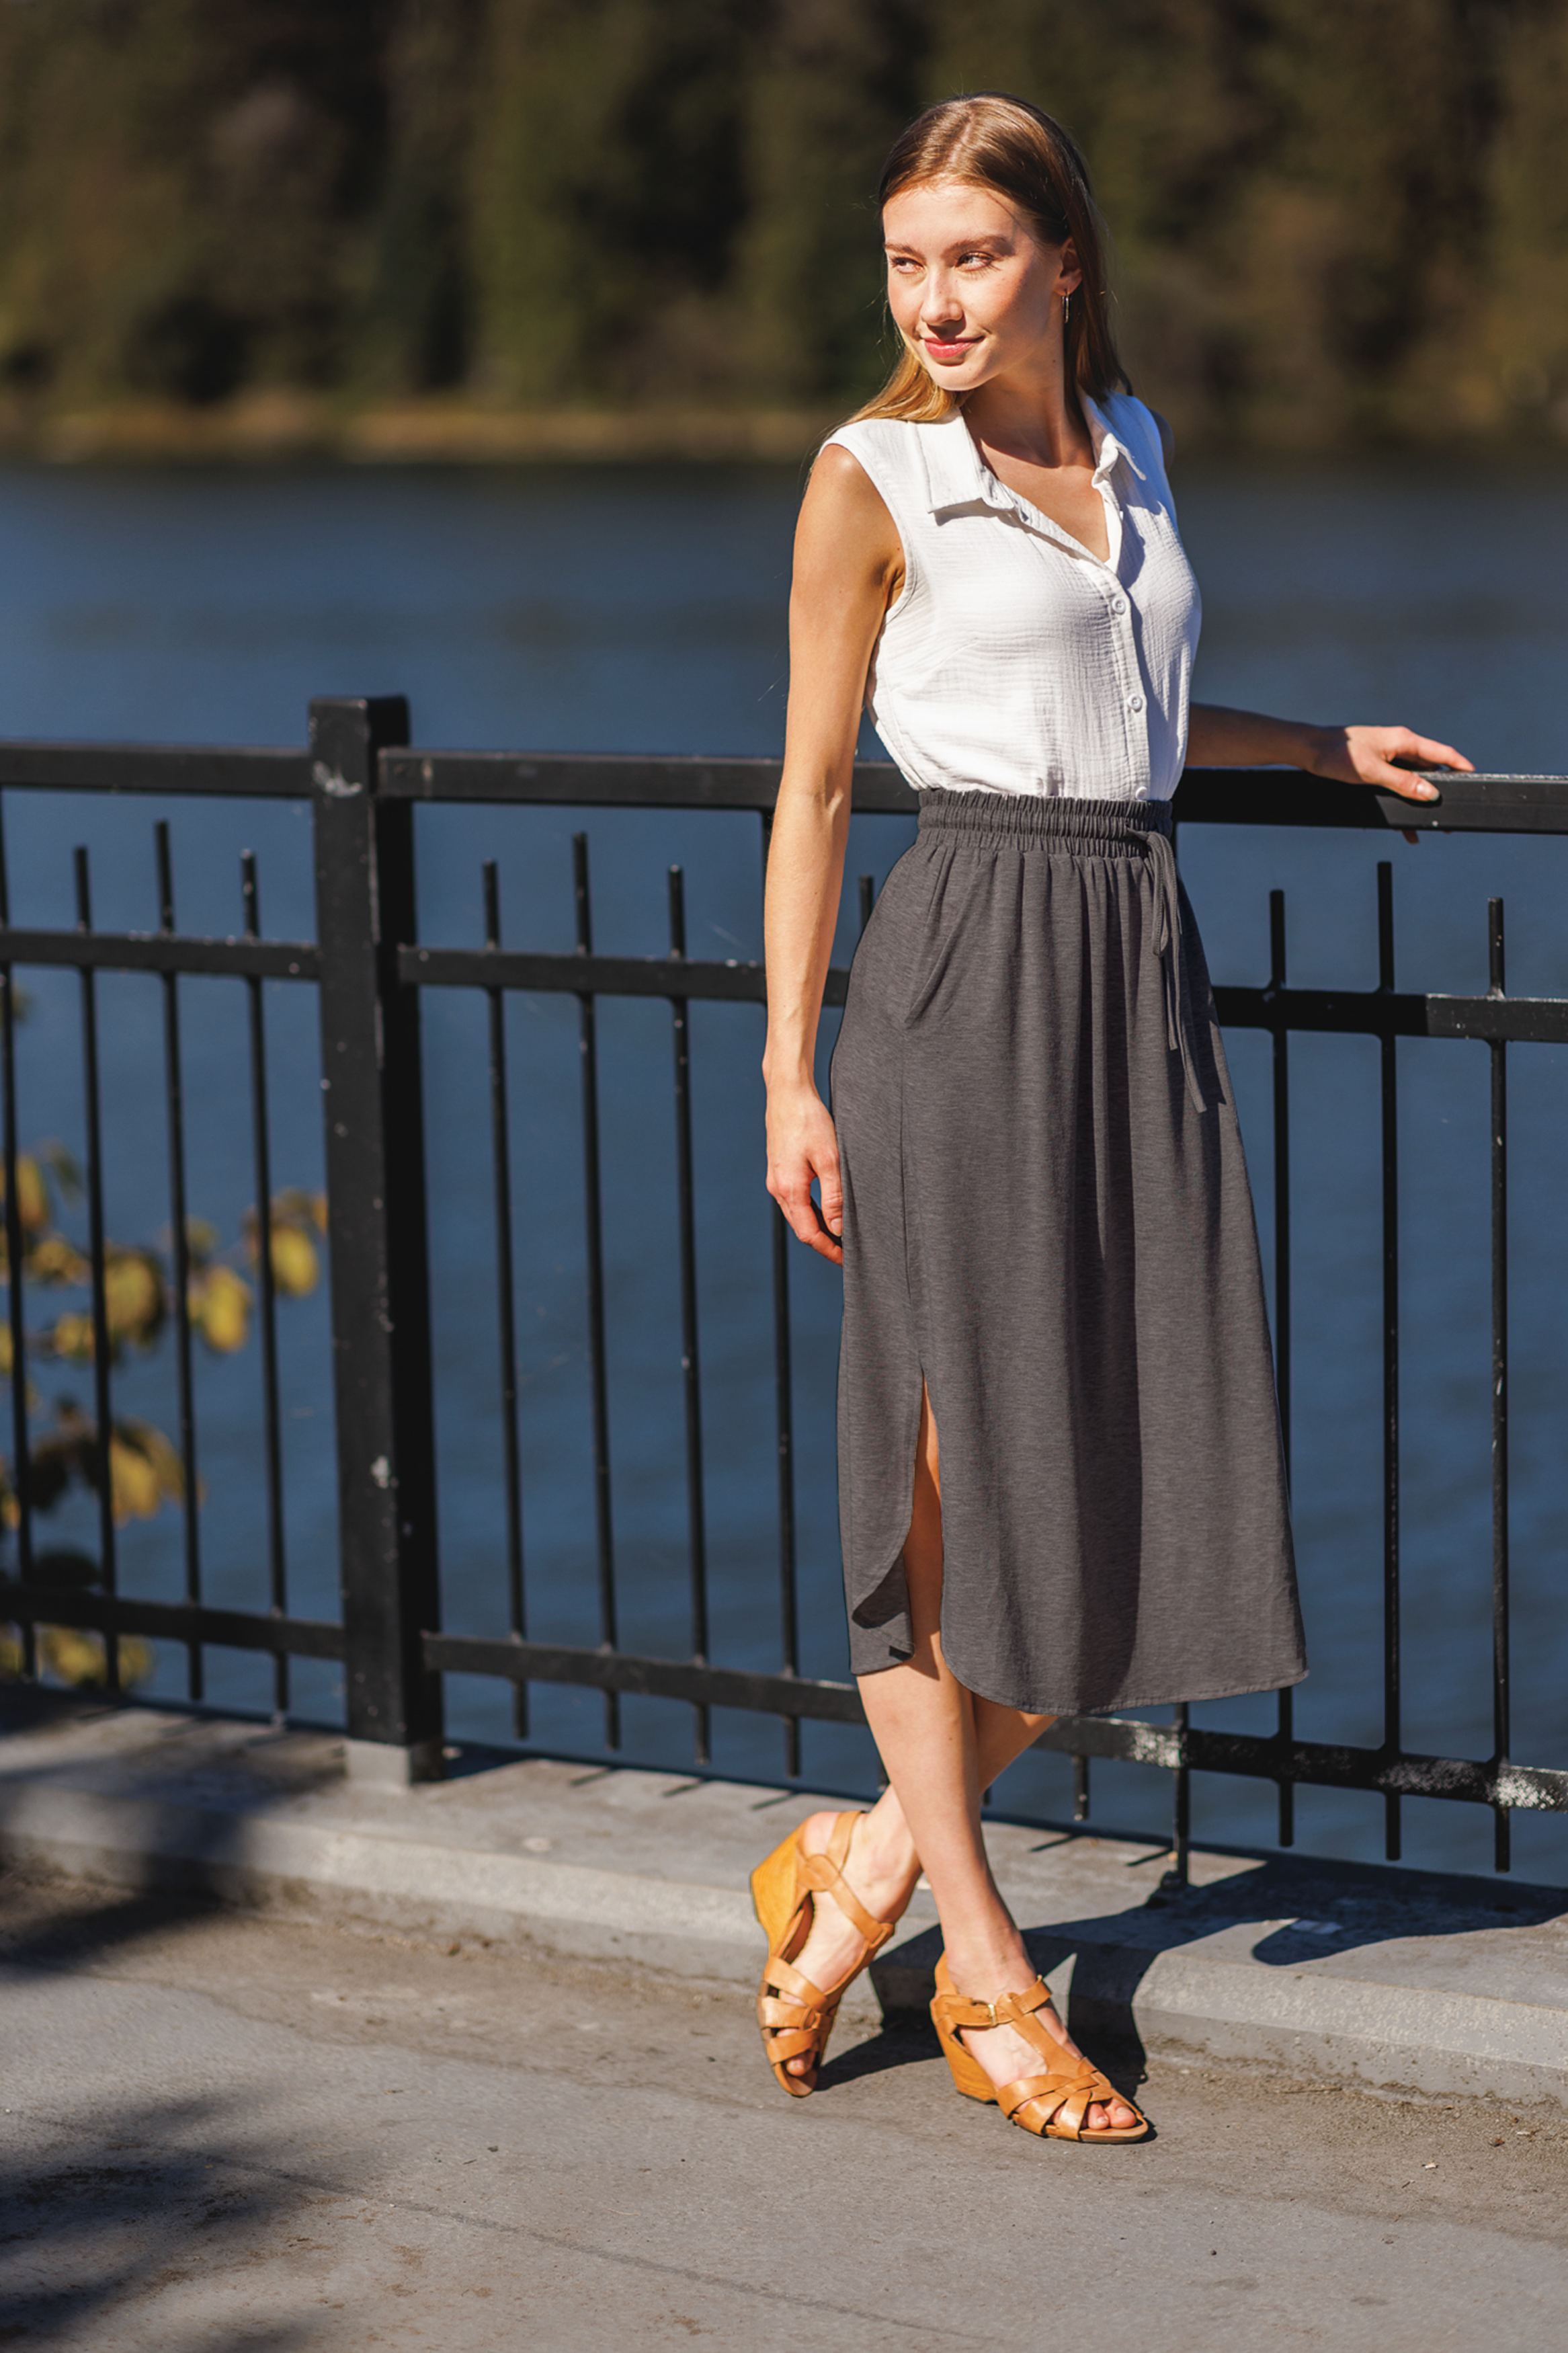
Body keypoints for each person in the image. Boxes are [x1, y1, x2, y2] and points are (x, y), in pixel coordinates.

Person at [750, 91, 1472, 2143]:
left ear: (1063, 261)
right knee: (942, 1493)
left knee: (1124, 1502)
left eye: (972, 256)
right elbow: (811, 789)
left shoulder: (1129, 451)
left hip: (1126, 976)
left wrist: (1312, 746)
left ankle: (868, 1862)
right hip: (959, 975)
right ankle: (982, 1970)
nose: (936, 298)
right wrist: (787, 1071)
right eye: (906, 261)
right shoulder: (872, 474)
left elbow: (1133, 730)